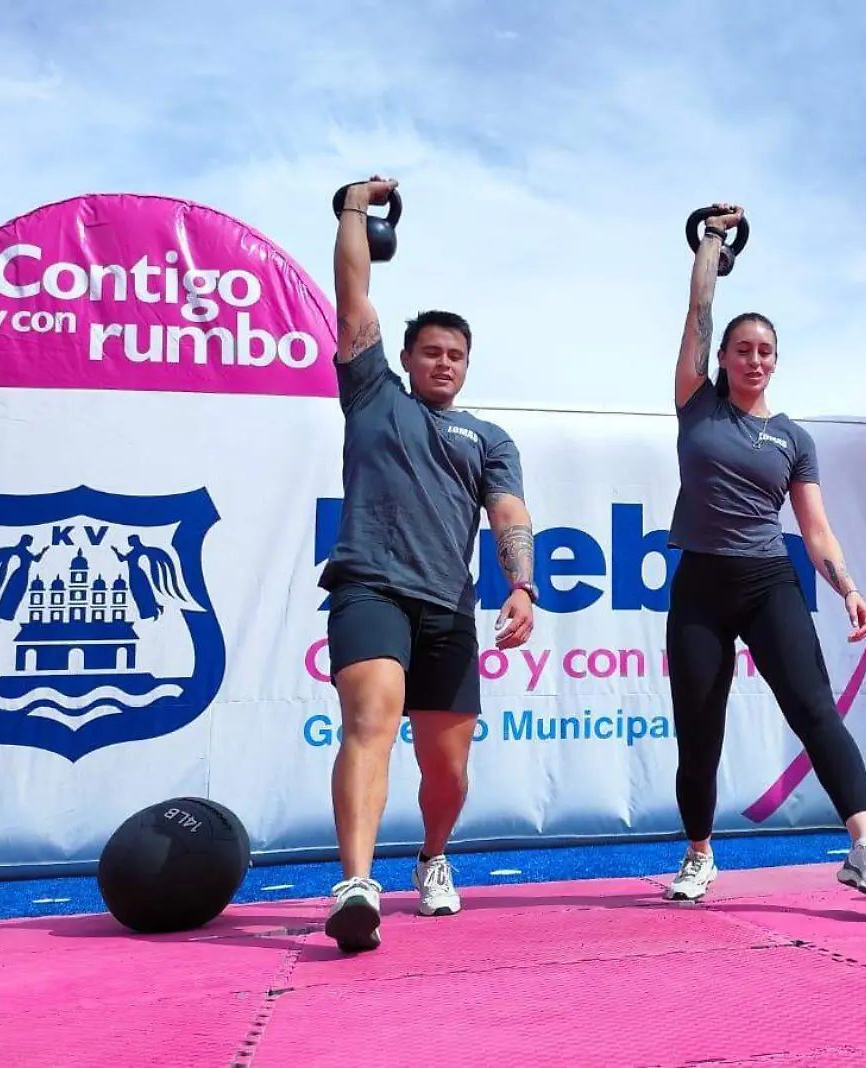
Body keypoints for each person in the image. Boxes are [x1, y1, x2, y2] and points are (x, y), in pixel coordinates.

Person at [318, 176, 538, 953]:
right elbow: (353, 294)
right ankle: (355, 884)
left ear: (467, 367)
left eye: (457, 356)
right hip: (371, 586)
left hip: (448, 608)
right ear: (406, 357)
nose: (444, 363)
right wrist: (353, 210)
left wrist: (521, 582)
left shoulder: (488, 439)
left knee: (447, 775)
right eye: (432, 352)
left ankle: (433, 859)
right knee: (369, 726)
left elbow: (508, 513)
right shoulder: (374, 393)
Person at [662, 202, 866, 905]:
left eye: (765, 351)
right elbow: (698, 312)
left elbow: (816, 529)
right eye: (743, 350)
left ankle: (865, 845)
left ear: (776, 361)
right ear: (726, 359)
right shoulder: (697, 404)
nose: (754, 359)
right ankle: (700, 855)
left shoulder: (795, 438)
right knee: (698, 732)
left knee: (815, 710)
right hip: (702, 584)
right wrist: (711, 241)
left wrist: (849, 586)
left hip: (769, 582)